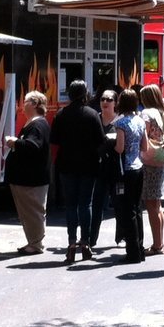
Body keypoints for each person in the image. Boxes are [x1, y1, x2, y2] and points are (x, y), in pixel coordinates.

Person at [50, 79, 106, 264]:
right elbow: (101, 141)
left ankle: (72, 242)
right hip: (88, 165)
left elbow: (54, 141)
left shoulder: (61, 115)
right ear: (85, 93)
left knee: (71, 205)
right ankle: (86, 241)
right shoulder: (92, 115)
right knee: (85, 204)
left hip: (66, 165)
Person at [4, 91, 51, 255]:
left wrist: (15, 142)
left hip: (32, 179)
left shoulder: (37, 125)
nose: (22, 104)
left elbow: (33, 147)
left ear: (35, 104)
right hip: (26, 178)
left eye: (26, 101)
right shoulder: (33, 123)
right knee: (29, 212)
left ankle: (36, 244)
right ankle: (33, 241)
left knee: (33, 212)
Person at [113, 88, 148, 264]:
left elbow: (119, 148)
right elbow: (145, 146)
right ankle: (140, 248)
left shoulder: (121, 123)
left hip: (126, 169)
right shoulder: (140, 121)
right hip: (139, 167)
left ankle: (132, 252)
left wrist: (110, 144)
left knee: (128, 212)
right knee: (138, 209)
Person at [139, 84, 164, 256]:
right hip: (162, 159)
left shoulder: (146, 113)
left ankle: (157, 245)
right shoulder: (162, 112)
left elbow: (143, 137)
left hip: (150, 161)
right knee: (157, 204)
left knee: (151, 205)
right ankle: (160, 242)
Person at [90, 88, 119, 247]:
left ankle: (120, 237)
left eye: (109, 99)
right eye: (102, 99)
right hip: (98, 169)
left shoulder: (119, 121)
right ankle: (91, 239)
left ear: (115, 103)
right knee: (97, 205)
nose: (105, 102)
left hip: (116, 169)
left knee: (118, 204)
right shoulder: (95, 119)